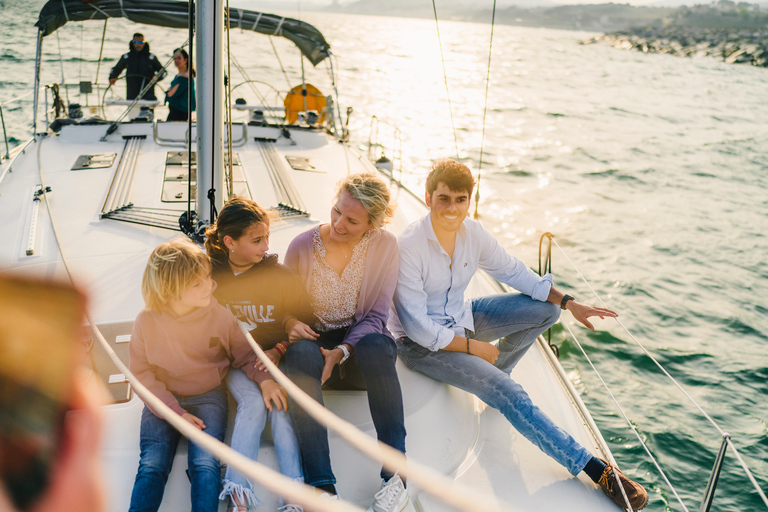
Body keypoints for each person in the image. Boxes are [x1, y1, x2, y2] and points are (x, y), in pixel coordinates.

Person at [390, 158, 649, 511]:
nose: (452, 208)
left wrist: (570, 302)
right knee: (509, 394)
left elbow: (513, 270)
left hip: (461, 317)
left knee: (547, 309)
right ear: (427, 197)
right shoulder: (410, 246)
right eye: (444, 198)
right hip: (420, 345)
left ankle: (497, 378)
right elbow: (419, 328)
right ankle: (596, 469)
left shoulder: (473, 234)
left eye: (460, 199)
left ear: (470, 199)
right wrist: (474, 349)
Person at [283, 173, 409, 512]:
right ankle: (322, 487)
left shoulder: (385, 246)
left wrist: (341, 351)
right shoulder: (300, 246)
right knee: (298, 360)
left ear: (372, 224)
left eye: (352, 220)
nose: (338, 223)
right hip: (314, 338)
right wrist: (291, 323)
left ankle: (396, 478)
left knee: (378, 347)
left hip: (359, 342)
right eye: (337, 211)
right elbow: (285, 307)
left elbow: (377, 314)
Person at [127, 238, 273, 512]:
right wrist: (175, 413)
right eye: (197, 284)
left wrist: (265, 381)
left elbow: (245, 356)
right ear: (171, 292)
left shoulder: (219, 316)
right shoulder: (146, 321)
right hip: (162, 401)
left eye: (207, 277)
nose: (209, 285)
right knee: (152, 464)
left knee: (205, 463)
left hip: (208, 397)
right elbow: (141, 374)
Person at [205, 197, 311, 512]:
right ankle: (239, 492)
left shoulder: (278, 276)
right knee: (252, 403)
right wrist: (261, 374)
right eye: (256, 240)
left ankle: (293, 495)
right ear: (229, 242)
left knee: (280, 407)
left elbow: (306, 318)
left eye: (266, 237)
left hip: (273, 359)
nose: (266, 245)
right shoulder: (208, 277)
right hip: (235, 361)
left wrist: (281, 345)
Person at [108, 33, 166, 101]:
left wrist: (157, 78)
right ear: (132, 42)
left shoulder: (151, 58)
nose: (138, 45)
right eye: (136, 42)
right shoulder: (127, 57)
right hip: (131, 93)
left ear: (144, 43)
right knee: (132, 111)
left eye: (141, 42)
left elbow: (163, 72)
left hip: (148, 94)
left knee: (147, 111)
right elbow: (116, 69)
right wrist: (112, 77)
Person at [165, 48, 196, 122]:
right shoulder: (180, 75)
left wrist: (169, 91)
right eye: (175, 58)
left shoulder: (185, 77)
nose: (176, 60)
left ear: (185, 60)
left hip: (179, 112)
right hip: (177, 110)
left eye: (179, 58)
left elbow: (170, 94)